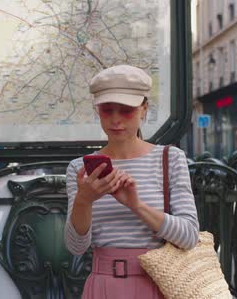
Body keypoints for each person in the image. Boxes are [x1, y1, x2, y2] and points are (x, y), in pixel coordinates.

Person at [64, 65, 199, 298]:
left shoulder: (169, 158)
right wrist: (83, 200)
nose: (116, 120)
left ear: (144, 109)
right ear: (97, 111)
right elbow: (76, 247)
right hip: (102, 287)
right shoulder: (79, 169)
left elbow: (189, 236)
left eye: (126, 110)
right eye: (107, 110)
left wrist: (136, 206)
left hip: (158, 283)